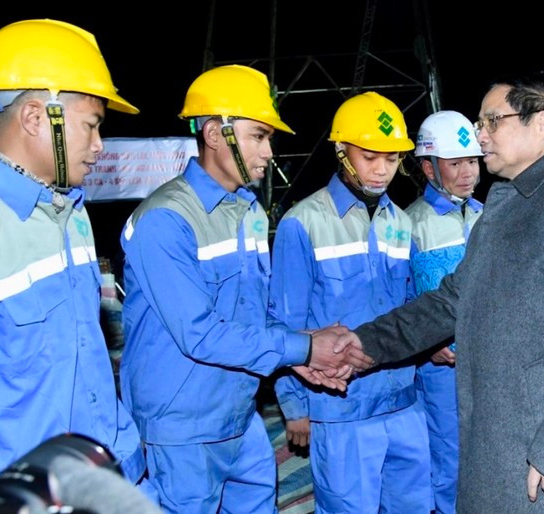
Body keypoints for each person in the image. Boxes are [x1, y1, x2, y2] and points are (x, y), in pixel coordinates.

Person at [333, 72, 544, 512]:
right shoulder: (506, 204)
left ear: (540, 122)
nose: (479, 133)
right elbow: (452, 300)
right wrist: (365, 343)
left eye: (491, 121)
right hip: (500, 452)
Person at [119, 65, 371, 513]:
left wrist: (300, 355)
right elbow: (201, 333)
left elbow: (255, 314)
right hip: (182, 428)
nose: (270, 152)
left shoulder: (249, 211)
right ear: (216, 133)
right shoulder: (165, 219)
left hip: (239, 413)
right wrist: (302, 350)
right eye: (259, 136)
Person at [0, 19, 147, 504]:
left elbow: (87, 355)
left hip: (101, 477)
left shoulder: (70, 213)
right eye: (91, 126)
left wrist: (125, 460)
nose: (99, 146)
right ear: (36, 118)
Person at [270, 91, 431, 513]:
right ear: (341, 151)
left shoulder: (402, 222)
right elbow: (284, 322)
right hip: (341, 412)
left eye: (393, 159)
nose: (383, 170)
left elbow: (414, 309)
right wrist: (294, 406)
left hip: (404, 405)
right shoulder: (302, 223)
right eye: (370, 156)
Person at [407, 110, 484, 513]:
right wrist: (426, 345)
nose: (468, 172)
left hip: (486, 364)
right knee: (448, 458)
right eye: (456, 163)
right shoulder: (409, 225)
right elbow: (401, 300)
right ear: (429, 167)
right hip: (440, 370)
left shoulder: (488, 216)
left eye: (472, 160)